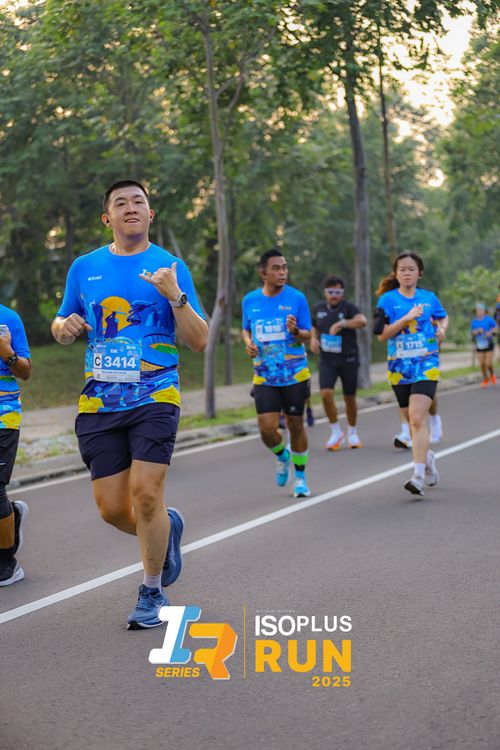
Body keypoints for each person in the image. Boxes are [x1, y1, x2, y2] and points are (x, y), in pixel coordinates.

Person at [51, 179, 208, 629]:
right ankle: (166, 526)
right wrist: (63, 328)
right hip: (100, 401)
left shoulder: (170, 266)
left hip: (156, 394)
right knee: (113, 510)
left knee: (146, 494)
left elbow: (199, 340)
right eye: (120, 203)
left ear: (150, 214)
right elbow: (61, 321)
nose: (131, 207)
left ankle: (151, 591)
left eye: (139, 201)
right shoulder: (84, 267)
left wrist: (175, 295)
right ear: (108, 218)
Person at [373, 252, 448, 496]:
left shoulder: (429, 298)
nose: (407, 273)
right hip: (399, 368)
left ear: (419, 273)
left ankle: (417, 477)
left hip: (426, 364)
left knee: (416, 418)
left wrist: (442, 330)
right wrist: (406, 318)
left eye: (411, 269)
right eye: (402, 269)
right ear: (396, 274)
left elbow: (443, 316)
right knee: (412, 422)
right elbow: (381, 335)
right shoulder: (387, 300)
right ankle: (428, 458)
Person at [242, 249, 312, 498]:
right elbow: (246, 329)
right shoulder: (250, 300)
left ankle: (300, 478)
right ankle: (283, 455)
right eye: (276, 268)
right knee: (267, 429)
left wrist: (296, 332)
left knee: (296, 424)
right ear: (263, 272)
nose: (282, 272)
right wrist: (248, 343)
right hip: (264, 376)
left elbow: (308, 334)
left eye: (284, 267)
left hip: (294, 374)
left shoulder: (297, 298)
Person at [311, 275, 367, 450]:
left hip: (348, 359)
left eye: (337, 292)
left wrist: (343, 323)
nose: (334, 295)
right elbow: (314, 326)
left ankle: (352, 432)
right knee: (325, 394)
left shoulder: (348, 307)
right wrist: (313, 338)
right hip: (328, 359)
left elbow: (362, 321)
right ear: (325, 292)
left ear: (342, 293)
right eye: (330, 292)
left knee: (349, 398)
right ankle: (335, 431)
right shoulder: (319, 308)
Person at [0, 307, 31, 586]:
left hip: (3, 414)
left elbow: (25, 371)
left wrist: (7, 353)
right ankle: (12, 513)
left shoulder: (8, 319)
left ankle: (6, 562)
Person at [470, 303, 497, 387]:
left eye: (480, 310)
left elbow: (496, 328)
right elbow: (472, 332)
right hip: (479, 344)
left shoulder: (489, 319)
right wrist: (476, 332)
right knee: (482, 364)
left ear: (484, 311)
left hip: (489, 343)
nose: (479, 312)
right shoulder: (474, 321)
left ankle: (492, 375)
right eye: (477, 310)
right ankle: (485, 379)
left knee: (488, 364)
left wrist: (490, 332)